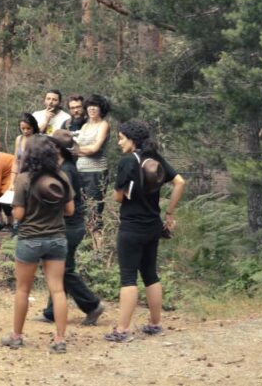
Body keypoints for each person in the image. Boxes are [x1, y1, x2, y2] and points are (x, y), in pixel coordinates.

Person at [106, 120, 186, 343]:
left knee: (128, 277)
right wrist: (169, 213)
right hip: (153, 225)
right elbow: (180, 182)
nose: (119, 143)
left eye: (121, 138)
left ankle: (122, 330)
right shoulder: (154, 157)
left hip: (131, 227)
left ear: (132, 140)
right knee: (150, 273)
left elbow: (118, 197)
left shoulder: (127, 162)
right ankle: (155, 324)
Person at [1, 135, 74, 353]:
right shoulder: (61, 177)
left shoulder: (24, 179)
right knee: (57, 290)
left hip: (30, 239)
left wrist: (16, 208)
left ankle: (16, 336)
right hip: (57, 238)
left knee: (23, 289)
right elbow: (70, 210)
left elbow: (19, 214)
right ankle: (60, 339)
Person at [40, 130, 104, 326]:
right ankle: (52, 312)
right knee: (59, 268)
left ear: (57, 149)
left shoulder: (66, 171)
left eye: (51, 145)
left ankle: (92, 305)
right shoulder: (63, 167)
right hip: (69, 225)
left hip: (69, 226)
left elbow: (67, 206)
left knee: (63, 270)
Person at [74, 94, 111, 230]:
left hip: (96, 172)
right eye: (89, 106)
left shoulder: (103, 125)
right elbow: (77, 148)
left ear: (101, 109)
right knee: (80, 208)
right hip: (79, 170)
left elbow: (95, 148)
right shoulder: (85, 126)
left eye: (95, 106)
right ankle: (85, 240)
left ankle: (98, 241)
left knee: (94, 210)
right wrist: (81, 150)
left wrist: (77, 151)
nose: (92, 108)